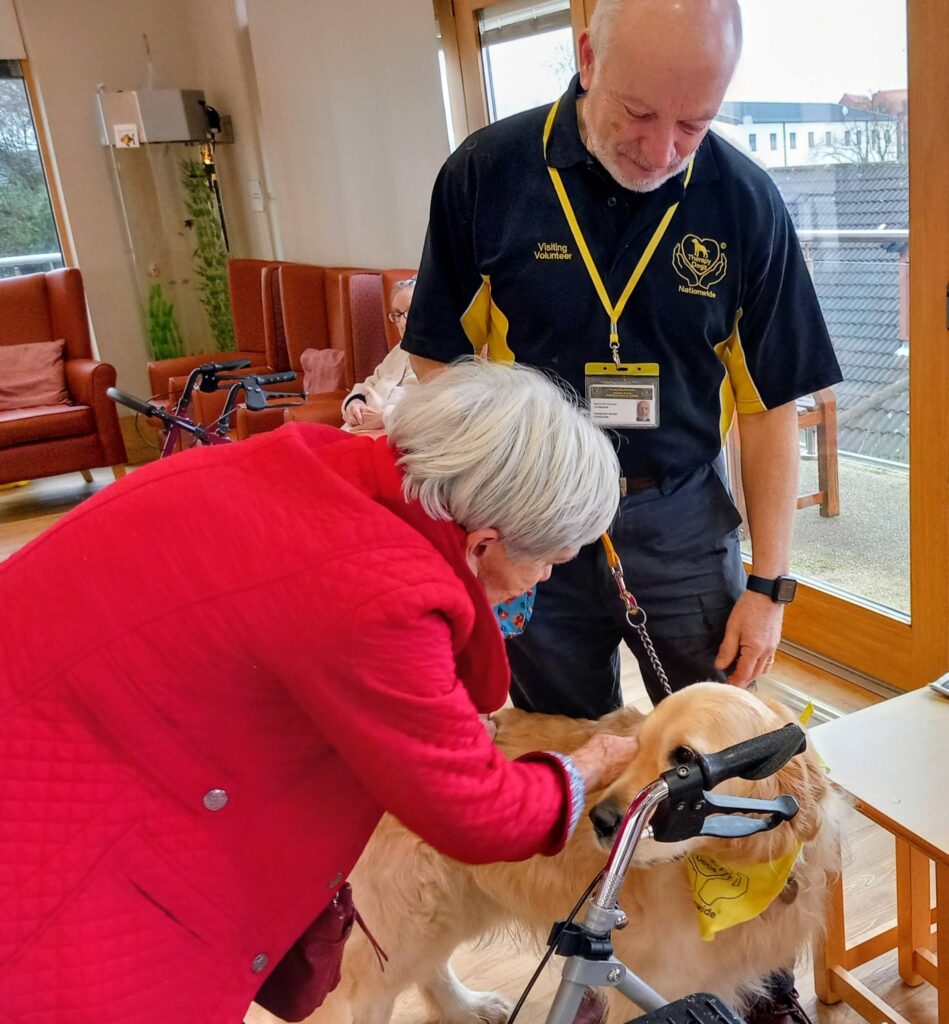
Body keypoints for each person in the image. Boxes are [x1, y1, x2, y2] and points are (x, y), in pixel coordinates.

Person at [401, 2, 841, 1020]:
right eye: (639, 114)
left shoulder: (740, 200)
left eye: (692, 124)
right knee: (562, 754)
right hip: (536, 528)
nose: (660, 149)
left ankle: (749, 976)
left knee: (724, 770)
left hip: (680, 519)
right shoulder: (487, 176)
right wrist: (478, 538)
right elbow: (435, 362)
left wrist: (769, 586)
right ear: (585, 54)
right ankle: (599, 960)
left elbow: (770, 407)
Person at [0, 360, 638, 1024]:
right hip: (61, 839)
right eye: (547, 565)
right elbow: (476, 812)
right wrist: (584, 764)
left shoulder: (310, 464)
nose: (538, 583)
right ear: (481, 542)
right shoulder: (377, 593)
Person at [341, 276, 417, 432]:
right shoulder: (399, 351)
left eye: (410, 311)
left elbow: (434, 410)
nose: (402, 323)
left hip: (392, 437)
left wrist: (384, 417)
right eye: (397, 314)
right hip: (355, 431)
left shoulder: (442, 358)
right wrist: (355, 403)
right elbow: (369, 383)